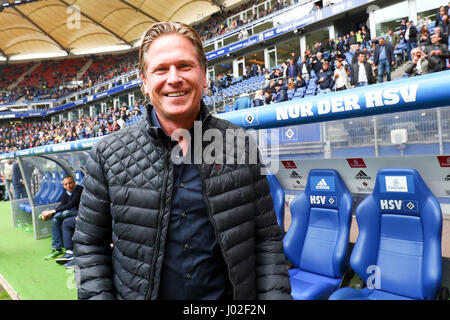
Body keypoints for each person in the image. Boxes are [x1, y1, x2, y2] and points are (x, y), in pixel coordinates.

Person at [72, 21, 291, 300]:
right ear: (145, 82)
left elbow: (267, 240)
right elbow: (89, 246)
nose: (174, 78)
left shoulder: (240, 143)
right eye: (161, 69)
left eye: (185, 66)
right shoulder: (108, 154)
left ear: (204, 76)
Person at [41, 175, 83, 260]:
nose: (68, 185)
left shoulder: (79, 189)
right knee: (56, 219)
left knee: (64, 213)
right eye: (66, 184)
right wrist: (53, 213)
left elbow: (71, 204)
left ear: (74, 182)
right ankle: (57, 248)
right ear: (63, 186)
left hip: (81, 213)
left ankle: (48, 215)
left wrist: (52, 212)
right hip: (72, 213)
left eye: (70, 183)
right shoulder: (66, 193)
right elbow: (62, 205)